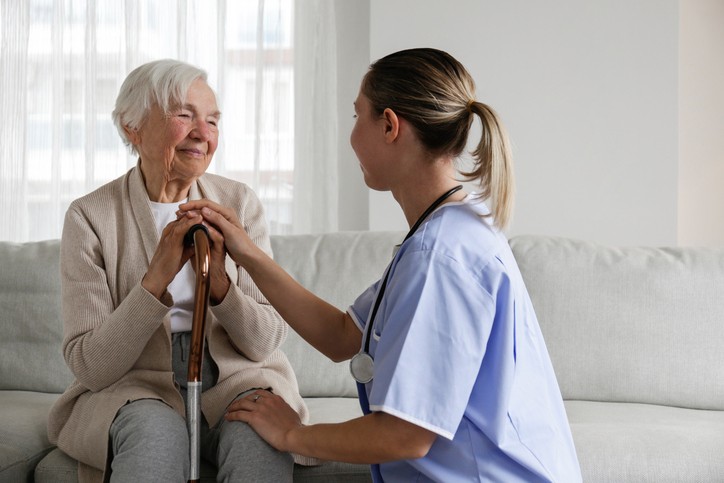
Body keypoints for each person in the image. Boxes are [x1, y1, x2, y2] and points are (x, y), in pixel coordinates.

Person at [181, 48, 582, 482]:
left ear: (389, 125)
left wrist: (294, 434)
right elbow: (341, 337)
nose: (352, 135)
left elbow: (404, 435)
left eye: (358, 117)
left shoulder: (440, 259)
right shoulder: (448, 228)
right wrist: (248, 254)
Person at [47, 59, 312, 483]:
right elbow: (91, 367)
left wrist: (221, 283)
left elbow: (264, 343)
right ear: (133, 127)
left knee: (259, 439)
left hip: (237, 378)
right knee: (156, 437)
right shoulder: (89, 217)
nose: (203, 134)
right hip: (137, 387)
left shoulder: (239, 203)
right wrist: (155, 280)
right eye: (184, 115)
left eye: (212, 120)